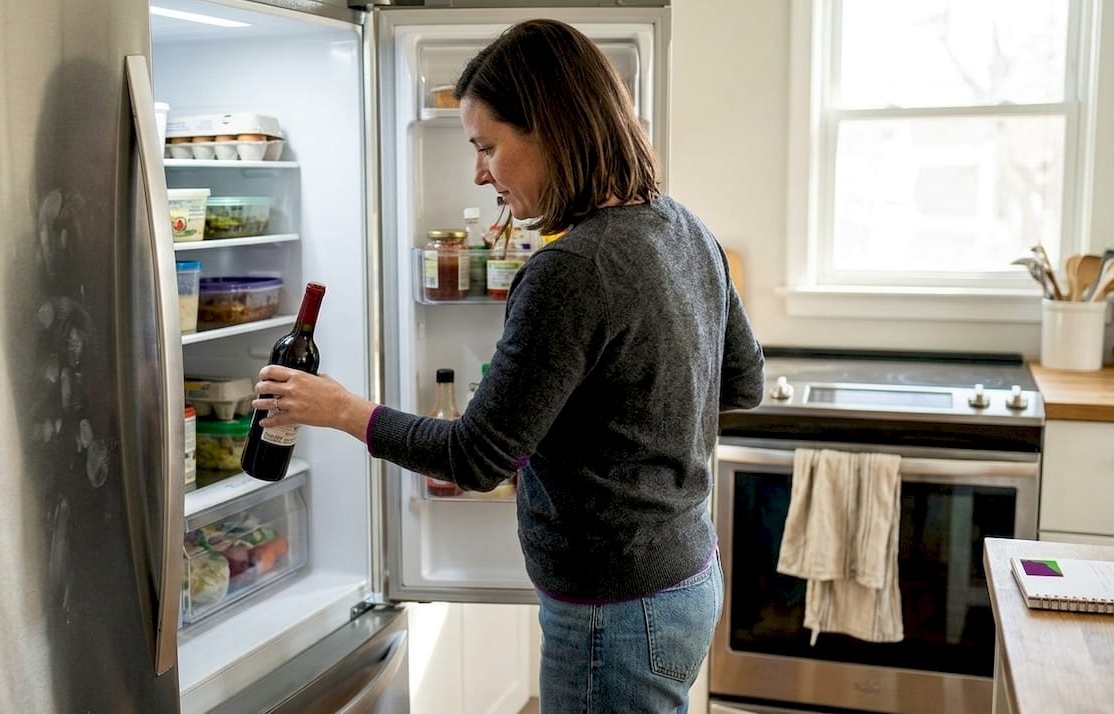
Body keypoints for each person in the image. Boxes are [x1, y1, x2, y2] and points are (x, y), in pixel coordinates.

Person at [251, 18, 765, 713]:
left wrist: (342, 409)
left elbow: (476, 457)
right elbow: (744, 382)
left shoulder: (570, 269)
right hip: (686, 578)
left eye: (488, 146)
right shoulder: (682, 225)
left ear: (551, 130)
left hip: (612, 610)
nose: (479, 171)